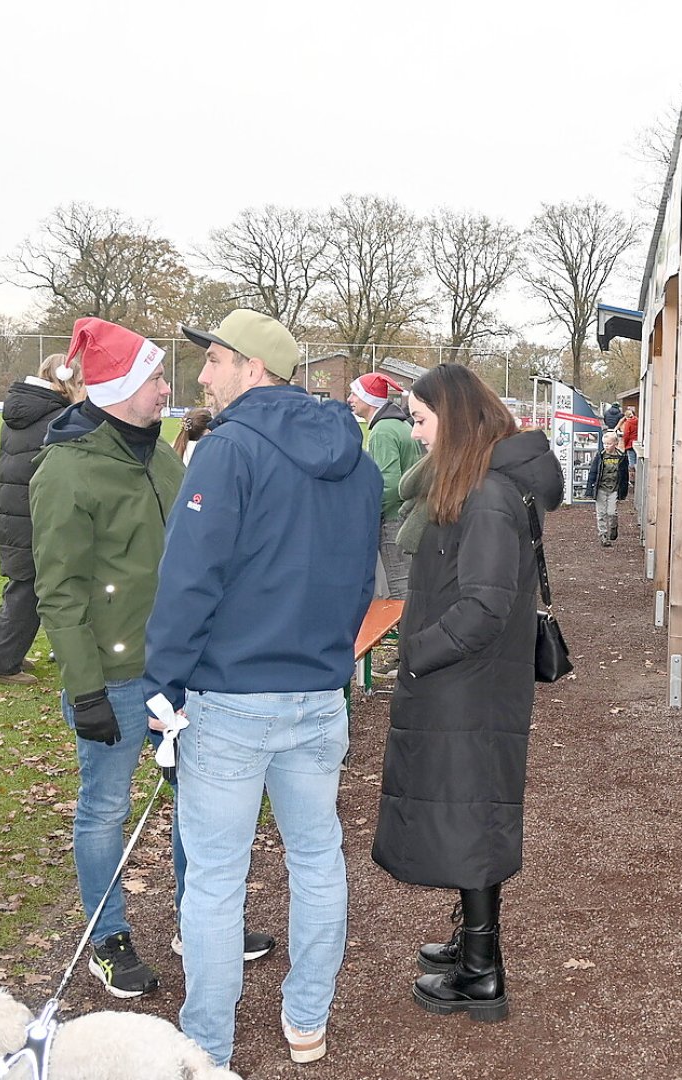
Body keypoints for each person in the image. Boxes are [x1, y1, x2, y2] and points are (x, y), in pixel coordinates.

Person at [142, 309, 380, 1067]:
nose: (203, 374)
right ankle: (304, 1020)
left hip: (236, 698)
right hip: (314, 691)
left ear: (252, 366)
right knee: (317, 857)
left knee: (216, 877)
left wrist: (163, 685)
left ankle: (209, 1044)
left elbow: (186, 580)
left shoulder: (229, 450)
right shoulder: (358, 459)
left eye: (214, 359)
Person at [371, 363, 564, 1022]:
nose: (415, 433)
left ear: (451, 419)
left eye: (421, 421)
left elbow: (482, 608)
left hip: (468, 687)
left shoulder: (485, 497)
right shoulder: (478, 488)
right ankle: (470, 945)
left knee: (473, 817)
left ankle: (483, 971)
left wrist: (417, 652)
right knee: (467, 814)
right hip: (468, 685)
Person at [30, 318, 199, 998]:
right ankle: (109, 938)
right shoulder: (66, 469)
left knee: (200, 799)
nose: (167, 389)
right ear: (124, 387)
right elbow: (58, 589)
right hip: (115, 679)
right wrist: (87, 688)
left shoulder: (161, 456)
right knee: (104, 808)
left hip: (179, 671)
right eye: (156, 378)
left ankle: (200, 917)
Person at [0, 353, 83, 686]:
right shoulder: (57, 416)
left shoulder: (24, 411)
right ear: (69, 381)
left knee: (19, 585)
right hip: (31, 515)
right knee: (28, 592)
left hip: (14, 512)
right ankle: (0, 664)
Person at [348, 371, 421, 600]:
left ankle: (404, 634)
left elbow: (388, 483)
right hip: (409, 515)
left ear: (368, 399)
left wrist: (367, 516)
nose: (350, 399)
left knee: (399, 586)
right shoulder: (398, 425)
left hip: (393, 520)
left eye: (355, 394)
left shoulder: (383, 430)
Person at [583, 429, 629, 546]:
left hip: (614, 488)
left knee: (611, 512)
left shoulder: (621, 457)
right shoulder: (600, 456)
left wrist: (623, 491)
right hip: (601, 488)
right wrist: (589, 488)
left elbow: (624, 476)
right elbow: (593, 472)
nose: (606, 446)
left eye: (608, 444)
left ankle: (613, 527)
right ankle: (603, 535)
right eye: (604, 444)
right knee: (601, 513)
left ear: (615, 444)